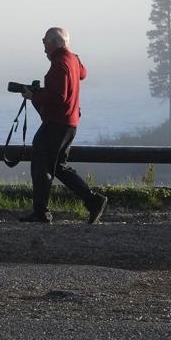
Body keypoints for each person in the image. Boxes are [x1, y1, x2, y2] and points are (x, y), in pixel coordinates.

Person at [16, 27, 108, 224]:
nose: (43, 47)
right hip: (70, 124)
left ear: (54, 42)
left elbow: (59, 96)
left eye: (44, 42)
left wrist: (34, 95)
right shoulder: (72, 60)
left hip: (55, 124)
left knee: (41, 165)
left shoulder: (59, 64)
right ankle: (92, 201)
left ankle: (41, 212)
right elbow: (83, 74)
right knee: (58, 166)